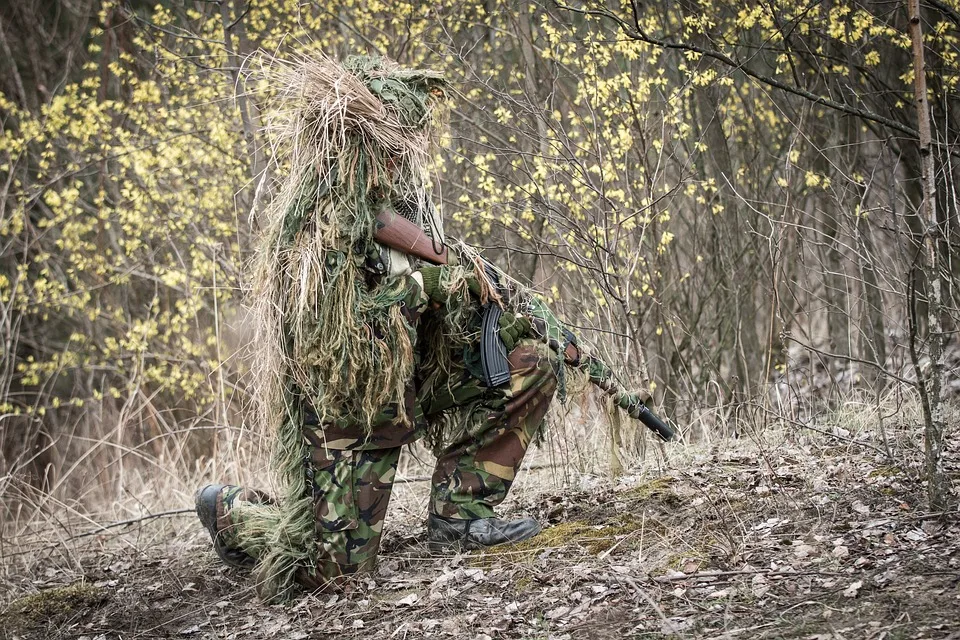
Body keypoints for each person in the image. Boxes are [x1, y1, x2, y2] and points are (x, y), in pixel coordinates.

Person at [194, 54, 666, 603]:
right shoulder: (315, 234)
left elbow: (442, 291)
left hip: (413, 389)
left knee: (534, 360)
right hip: (354, 415)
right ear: (356, 143)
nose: (400, 155)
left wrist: (499, 316)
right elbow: (341, 345)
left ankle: (459, 514)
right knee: (334, 576)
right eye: (390, 142)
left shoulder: (405, 209)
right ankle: (232, 513)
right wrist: (431, 287)